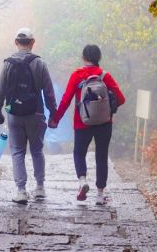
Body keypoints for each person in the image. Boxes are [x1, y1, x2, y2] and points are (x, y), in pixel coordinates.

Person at [48, 44, 125, 205]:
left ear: (84, 58)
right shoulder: (105, 76)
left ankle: (82, 180)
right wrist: (109, 108)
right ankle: (100, 194)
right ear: (99, 58)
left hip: (82, 121)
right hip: (104, 122)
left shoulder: (77, 75)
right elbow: (121, 98)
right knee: (101, 156)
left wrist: (56, 119)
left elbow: (66, 99)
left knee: (79, 153)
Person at [0, 27, 57, 205]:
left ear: (16, 42)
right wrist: (53, 114)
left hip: (13, 112)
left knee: (17, 151)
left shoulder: (8, 64)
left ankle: (21, 190)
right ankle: (39, 188)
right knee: (37, 150)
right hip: (35, 112)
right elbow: (49, 92)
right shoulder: (39, 63)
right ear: (32, 43)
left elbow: (0, 91)